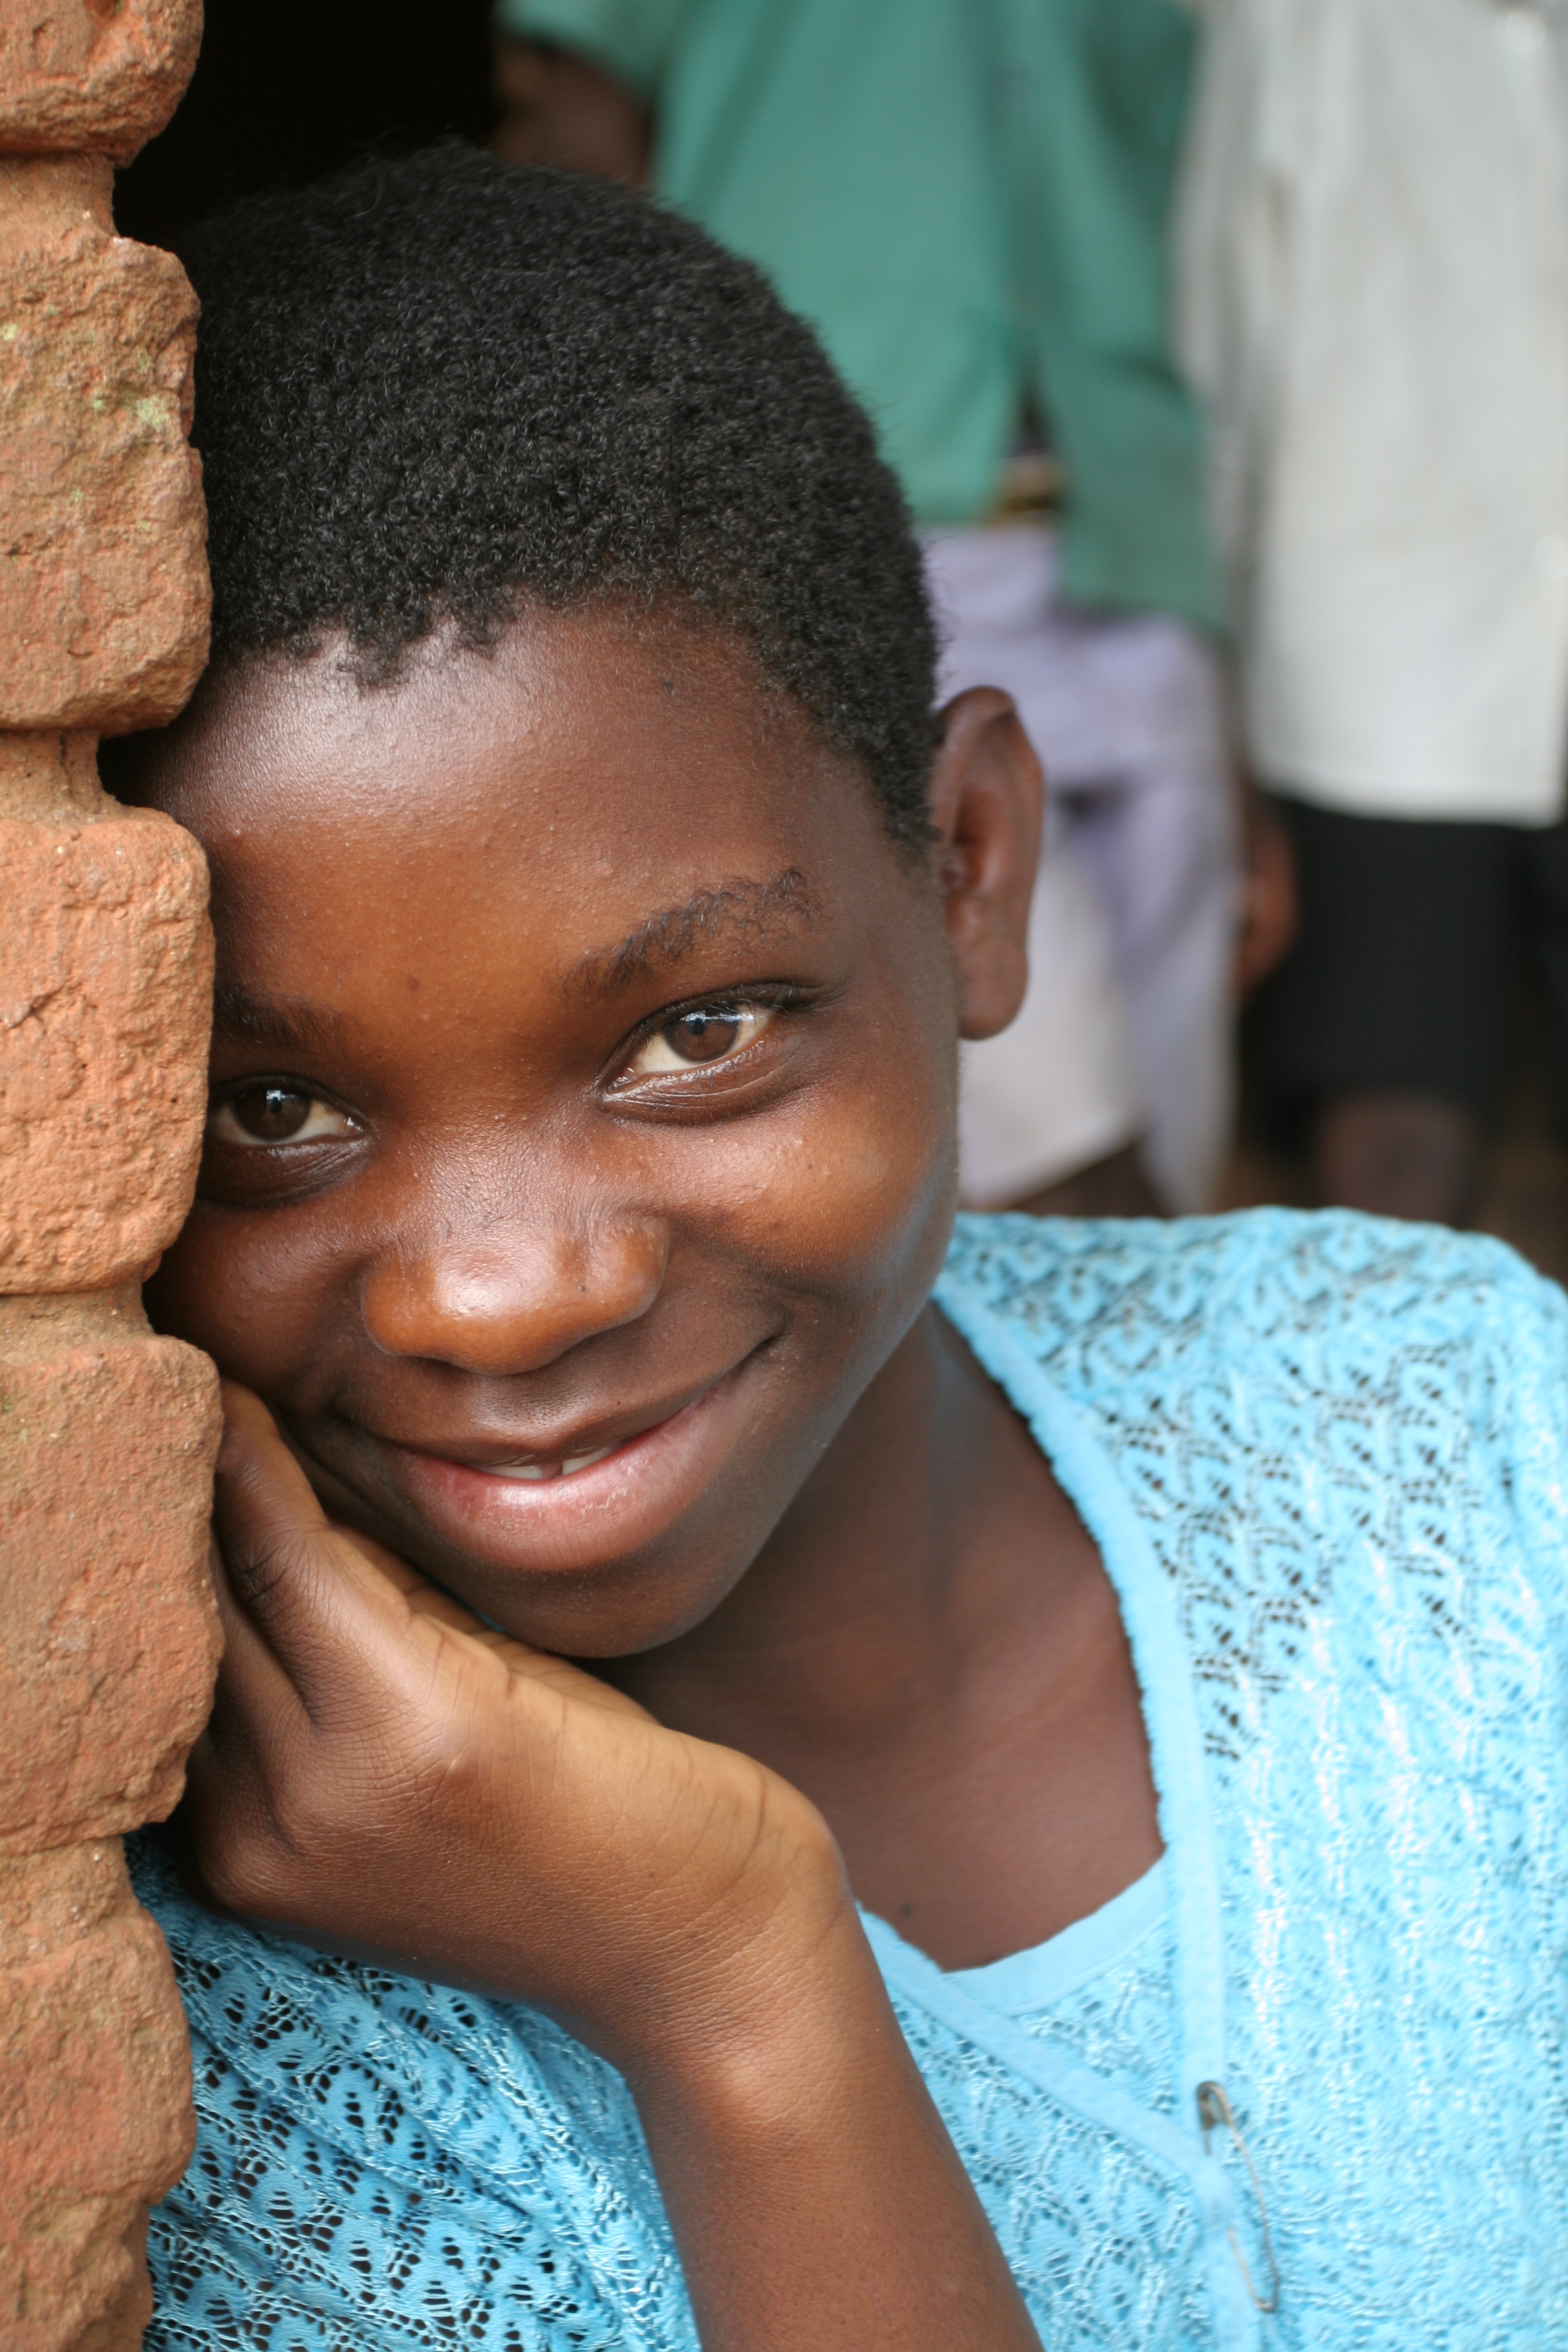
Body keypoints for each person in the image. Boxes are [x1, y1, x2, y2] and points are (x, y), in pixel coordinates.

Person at [110, 150, 1568, 2349]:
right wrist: (739, 1997)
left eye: (695, 1032)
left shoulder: (1454, 1428)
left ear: (970, 871)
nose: (504, 1290)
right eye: (276, 1112)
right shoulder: (169, 2051)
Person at [493, 0, 1287, 1216]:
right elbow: (575, 147)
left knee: (1176, 1131)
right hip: (835, 535)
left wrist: (1242, 751)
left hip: (1134, 542)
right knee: (1061, 1157)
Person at [1178, 0, 1568, 1225]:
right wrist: (1218, 660)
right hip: (1378, 663)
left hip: (1376, 646)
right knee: (1395, 1114)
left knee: (1397, 1097)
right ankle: (1394, 1418)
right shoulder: (1301, 23)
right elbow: (1215, 353)